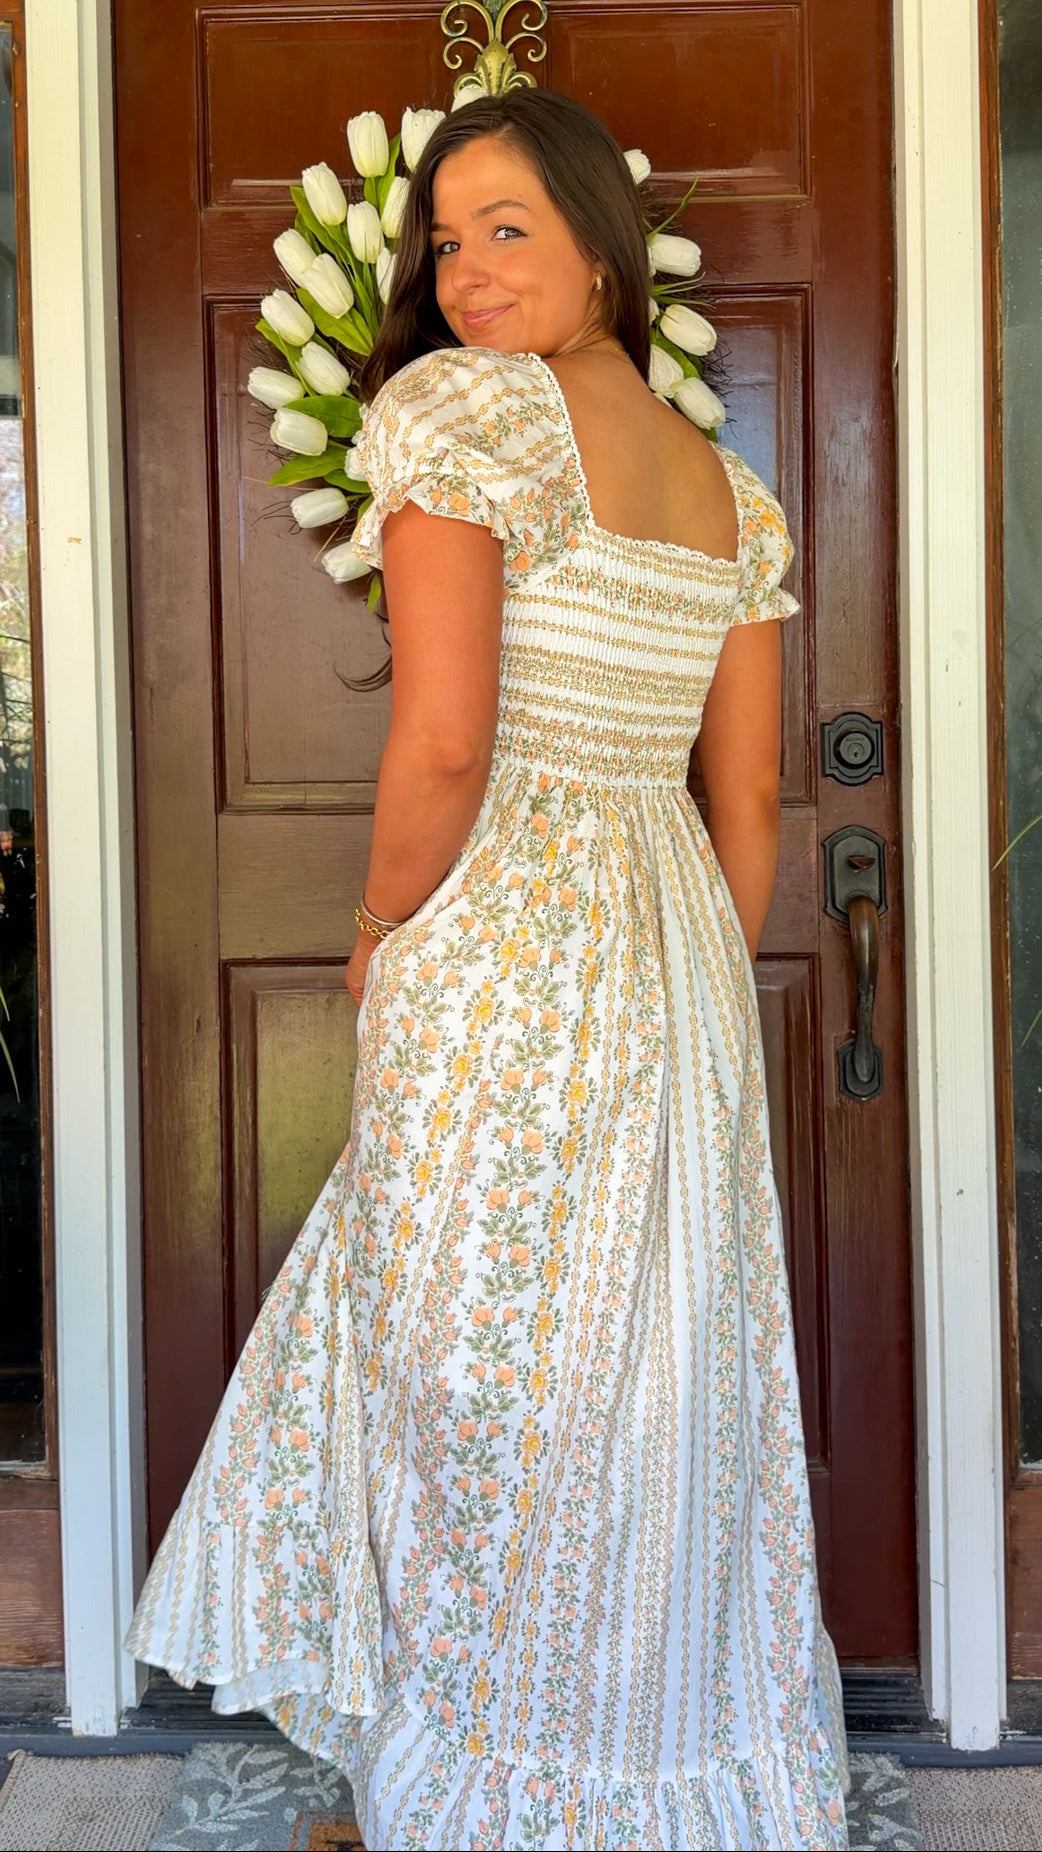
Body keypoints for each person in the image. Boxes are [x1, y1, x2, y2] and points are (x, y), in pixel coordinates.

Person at [127, 88, 850, 1852]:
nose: (461, 270)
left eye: (505, 225)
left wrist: (383, 938)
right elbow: (739, 791)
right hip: (668, 939)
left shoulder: (457, 419)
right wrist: (684, 970)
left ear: (602, 245)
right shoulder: (731, 493)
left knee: (476, 1373)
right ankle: (650, 1772)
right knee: (645, 1378)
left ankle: (482, 1800)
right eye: (444, 239)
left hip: (506, 929)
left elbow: (445, 746)